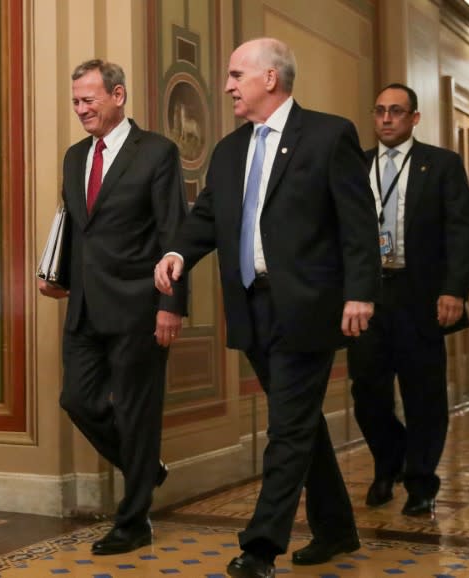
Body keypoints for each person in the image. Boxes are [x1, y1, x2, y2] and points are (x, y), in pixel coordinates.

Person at [154, 38, 381, 578]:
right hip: (251, 307)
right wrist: (176, 252)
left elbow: (358, 222)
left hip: (307, 306)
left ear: (270, 79)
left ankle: (260, 547)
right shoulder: (231, 150)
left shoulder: (329, 135)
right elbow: (206, 217)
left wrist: (360, 292)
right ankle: (337, 529)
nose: (228, 85)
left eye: (236, 74)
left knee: (286, 428)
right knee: (301, 423)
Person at [38, 59, 187, 556]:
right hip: (83, 306)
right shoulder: (74, 156)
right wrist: (56, 276)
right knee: (77, 399)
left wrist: (171, 306)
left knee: (139, 415)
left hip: (140, 307)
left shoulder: (158, 153)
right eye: (75, 101)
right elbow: (76, 228)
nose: (80, 109)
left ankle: (134, 521)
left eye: (89, 100)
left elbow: (173, 234)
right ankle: (148, 469)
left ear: (118, 96)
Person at [347, 83, 469, 517]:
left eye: (397, 112)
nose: (387, 119)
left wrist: (454, 289)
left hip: (419, 294)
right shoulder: (355, 166)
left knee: (424, 393)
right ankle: (391, 460)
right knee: (367, 392)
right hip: (367, 295)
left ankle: (421, 481)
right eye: (380, 111)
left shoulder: (440, 165)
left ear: (414, 118)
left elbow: (462, 231)